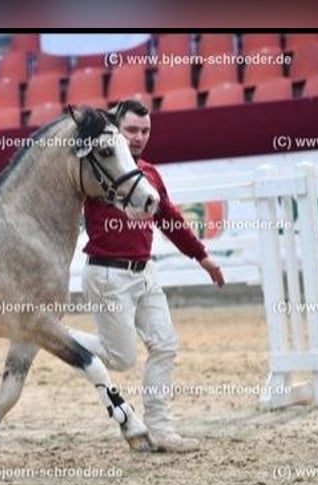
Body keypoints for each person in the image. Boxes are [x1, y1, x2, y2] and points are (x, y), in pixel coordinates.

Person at [74, 98, 225, 453]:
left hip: (146, 273)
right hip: (107, 276)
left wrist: (202, 257)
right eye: (131, 130)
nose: (139, 137)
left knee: (165, 345)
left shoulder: (151, 174)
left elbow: (169, 217)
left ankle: (159, 429)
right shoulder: (95, 171)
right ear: (115, 129)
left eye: (145, 131)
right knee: (120, 359)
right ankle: (55, 335)